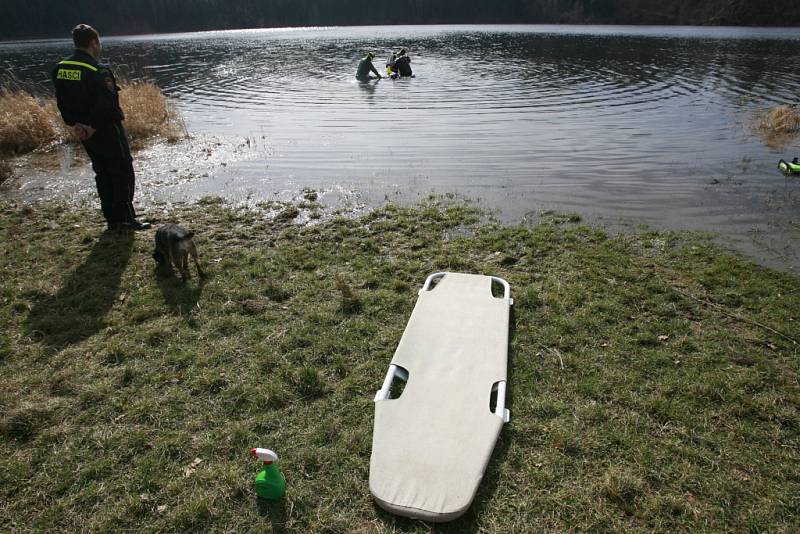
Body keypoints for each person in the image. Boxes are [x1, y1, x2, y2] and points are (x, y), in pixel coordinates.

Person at [52, 24, 150, 231]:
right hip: (105, 129)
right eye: (99, 43)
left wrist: (75, 125)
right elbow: (108, 105)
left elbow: (61, 102)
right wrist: (93, 127)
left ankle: (111, 219)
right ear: (93, 43)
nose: (99, 46)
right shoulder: (97, 70)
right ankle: (125, 218)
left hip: (83, 132)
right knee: (122, 170)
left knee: (102, 172)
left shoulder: (61, 69)